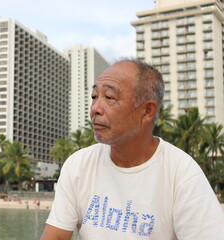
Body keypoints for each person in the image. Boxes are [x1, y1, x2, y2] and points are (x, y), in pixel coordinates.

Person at [41, 58, 224, 239]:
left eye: (109, 97)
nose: (95, 108)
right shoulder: (78, 165)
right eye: (94, 97)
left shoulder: (181, 173)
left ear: (147, 111)